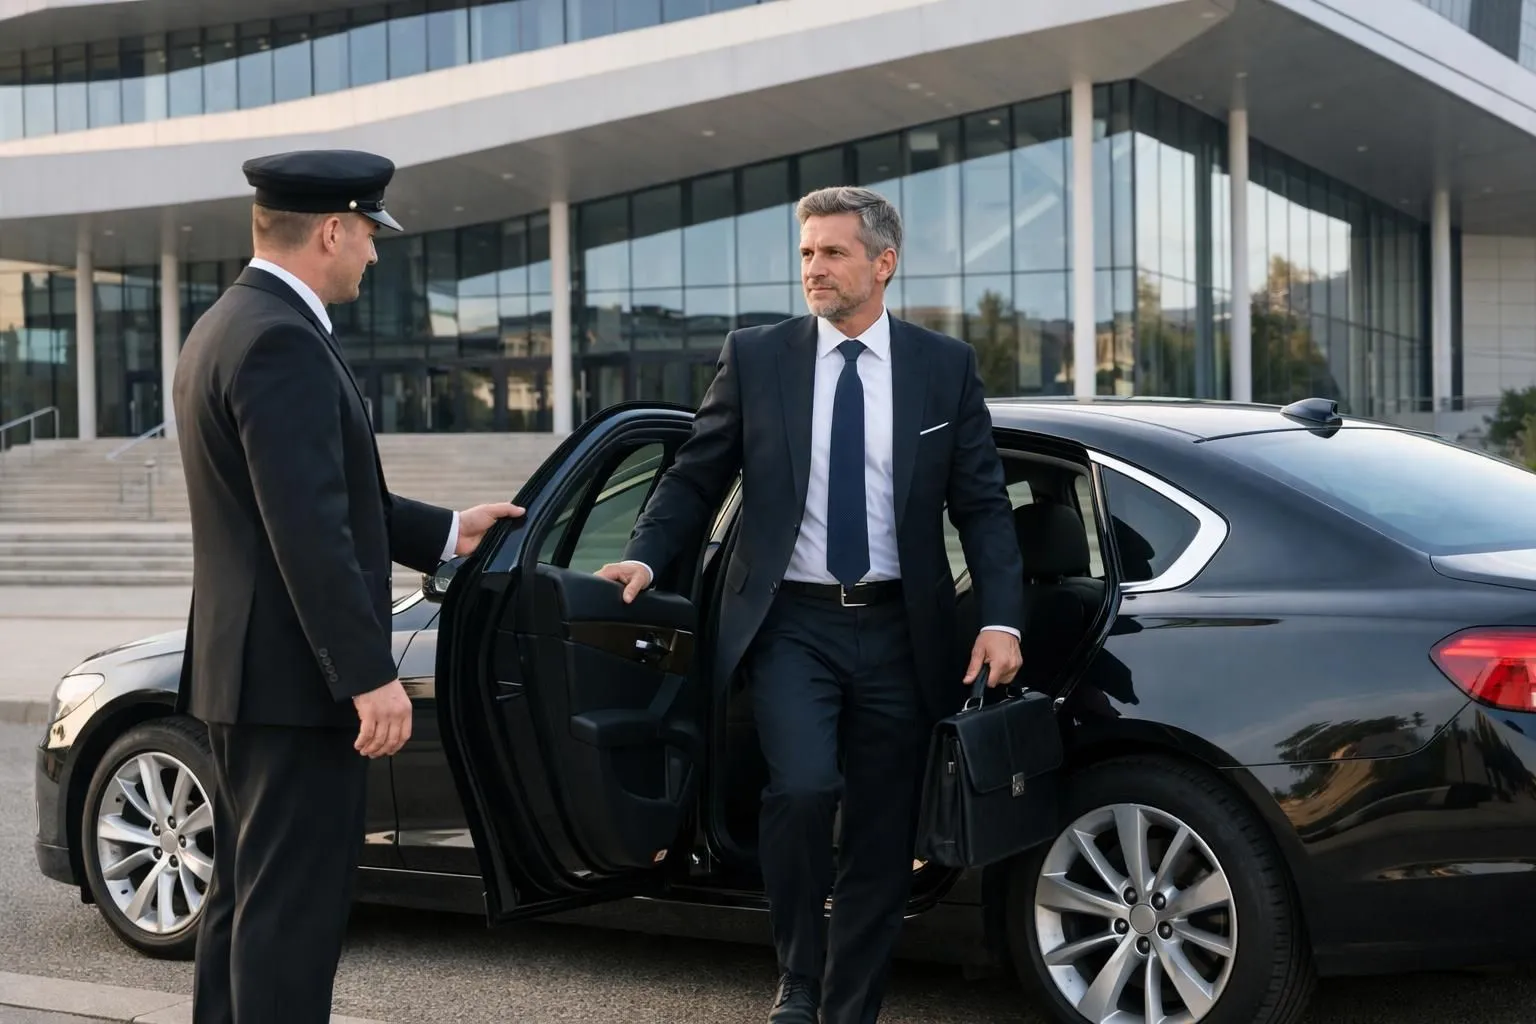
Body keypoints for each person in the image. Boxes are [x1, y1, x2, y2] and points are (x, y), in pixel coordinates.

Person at [597, 186, 1025, 1024]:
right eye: (805, 254)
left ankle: (849, 1004)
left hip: (905, 628)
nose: (813, 270)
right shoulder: (757, 356)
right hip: (791, 623)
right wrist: (646, 555)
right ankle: (798, 973)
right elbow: (697, 472)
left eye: (831, 253)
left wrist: (1000, 618)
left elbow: (982, 505)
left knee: (881, 825)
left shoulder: (945, 367)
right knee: (800, 789)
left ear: (883, 263)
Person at [171, 149, 523, 1024]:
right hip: (296, 686)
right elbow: (308, 530)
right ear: (332, 230)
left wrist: (444, 531)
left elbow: (320, 496)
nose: (373, 254)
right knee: (291, 918)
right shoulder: (284, 340)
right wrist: (369, 674)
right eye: (369, 234)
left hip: (247, 675)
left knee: (249, 902)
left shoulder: (230, 323)